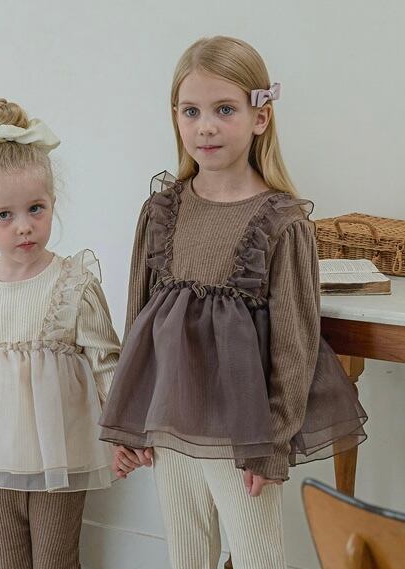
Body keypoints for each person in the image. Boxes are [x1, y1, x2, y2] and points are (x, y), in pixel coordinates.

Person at [101, 36, 367, 569]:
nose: (206, 126)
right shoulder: (161, 212)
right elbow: (139, 324)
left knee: (256, 555)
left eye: (224, 110)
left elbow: (296, 343)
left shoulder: (281, 222)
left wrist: (271, 443)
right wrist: (128, 418)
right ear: (176, 117)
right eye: (191, 111)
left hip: (242, 432)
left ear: (259, 116)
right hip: (170, 419)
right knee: (187, 552)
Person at [0, 98, 120, 569]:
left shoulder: (73, 284)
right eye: (5, 215)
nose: (24, 227)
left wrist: (122, 434)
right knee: (6, 560)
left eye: (36, 209)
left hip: (60, 452)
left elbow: (105, 361)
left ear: (52, 204)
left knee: (56, 559)